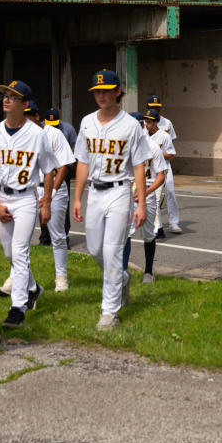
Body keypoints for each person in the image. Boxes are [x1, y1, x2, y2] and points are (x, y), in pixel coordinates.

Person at [72, 69, 151, 330]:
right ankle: (123, 278)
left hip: (119, 191)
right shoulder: (86, 122)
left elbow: (138, 164)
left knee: (113, 250)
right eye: (97, 90)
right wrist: (78, 198)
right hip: (94, 191)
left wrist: (140, 203)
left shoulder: (130, 125)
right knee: (95, 249)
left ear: (118, 92)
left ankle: (109, 311)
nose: (101, 95)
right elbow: (83, 161)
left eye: (106, 90)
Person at [0, 80, 57, 328]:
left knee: (20, 251)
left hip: (26, 197)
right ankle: (33, 288)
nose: (6, 99)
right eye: (5, 95)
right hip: (3, 196)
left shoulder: (37, 134)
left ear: (24, 104)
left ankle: (18, 307)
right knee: (9, 253)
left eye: (13, 97)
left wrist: (45, 203)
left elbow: (48, 170)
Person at [24, 101, 75, 291]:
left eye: (29, 114)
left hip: (55, 188)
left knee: (58, 236)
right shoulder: (23, 135)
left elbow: (65, 165)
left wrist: (50, 193)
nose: (26, 118)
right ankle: (23, 280)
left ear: (37, 116)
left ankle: (61, 277)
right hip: (30, 188)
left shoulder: (54, 134)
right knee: (21, 237)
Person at [135, 108, 172, 283]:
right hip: (126, 195)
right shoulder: (123, 147)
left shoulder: (152, 146)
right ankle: (120, 274)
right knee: (122, 234)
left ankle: (148, 271)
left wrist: (145, 192)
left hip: (147, 193)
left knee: (148, 234)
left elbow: (160, 176)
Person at [39, 107, 76, 246]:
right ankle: (44, 238)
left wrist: (64, 155)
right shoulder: (40, 130)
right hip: (45, 174)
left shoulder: (67, 129)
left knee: (62, 208)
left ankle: (63, 236)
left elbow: (74, 146)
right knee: (43, 206)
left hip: (61, 170)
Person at [146, 94, 181, 235]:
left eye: (157, 107)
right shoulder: (144, 124)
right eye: (152, 106)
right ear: (148, 107)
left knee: (170, 192)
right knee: (152, 195)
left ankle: (173, 223)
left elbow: (170, 148)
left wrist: (157, 153)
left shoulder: (167, 123)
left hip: (165, 165)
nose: (155, 108)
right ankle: (154, 225)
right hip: (149, 167)